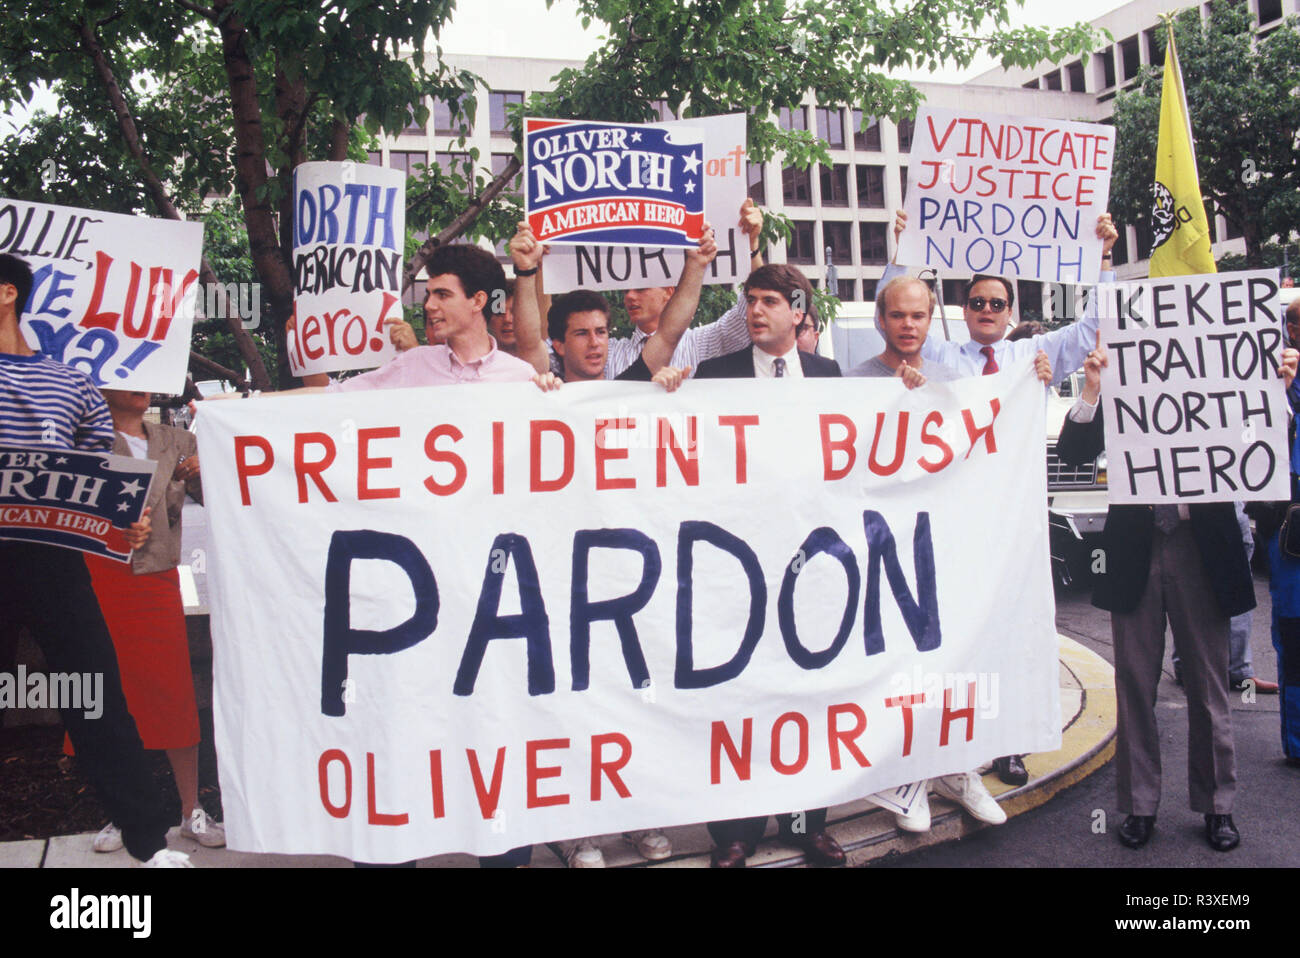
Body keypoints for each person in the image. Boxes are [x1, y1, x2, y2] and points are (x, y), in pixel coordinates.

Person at [1056, 337, 1298, 851]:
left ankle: (1217, 806)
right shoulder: (1122, 382)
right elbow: (1075, 453)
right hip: (1134, 548)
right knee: (1134, 685)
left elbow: (1262, 449)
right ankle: (1140, 806)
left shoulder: (1219, 382)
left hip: (1201, 548)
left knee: (1210, 688)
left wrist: (1275, 391)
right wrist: (1094, 391)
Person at [0, 253, 188, 867]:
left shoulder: (71, 383)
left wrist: (123, 525)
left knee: (96, 696)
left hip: (54, 562)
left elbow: (99, 482)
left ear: (8, 294)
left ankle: (149, 845)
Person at [692, 263, 844, 867]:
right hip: (737, 567)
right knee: (739, 697)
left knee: (807, 694)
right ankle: (735, 832)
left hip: (812, 570)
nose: (755, 311)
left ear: (799, 310)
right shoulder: (712, 377)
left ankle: (807, 822)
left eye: (769, 302)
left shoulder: (832, 379)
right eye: (750, 301)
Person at [69, 389, 224, 853]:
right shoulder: (82, 441)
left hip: (155, 579)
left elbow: (222, 499)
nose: (140, 385)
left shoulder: (178, 440)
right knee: (112, 695)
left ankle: (189, 809)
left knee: (172, 692)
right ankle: (123, 811)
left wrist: (208, 470)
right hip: (98, 580)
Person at [885, 210, 1119, 385]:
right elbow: (888, 324)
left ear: (1009, 313)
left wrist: (1104, 256)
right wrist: (902, 253)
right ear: (965, 311)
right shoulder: (939, 357)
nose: (987, 309)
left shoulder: (1036, 355)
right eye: (978, 303)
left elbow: (1095, 330)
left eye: (997, 304)